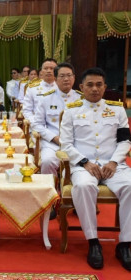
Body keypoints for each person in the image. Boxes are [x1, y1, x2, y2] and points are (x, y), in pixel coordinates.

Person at [60, 67, 131, 271]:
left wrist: (114, 162)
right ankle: (93, 242)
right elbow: (66, 144)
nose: (94, 89)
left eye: (99, 84)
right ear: (81, 87)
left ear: (105, 87)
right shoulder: (72, 111)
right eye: (89, 85)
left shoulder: (117, 109)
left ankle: (125, 244)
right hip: (84, 165)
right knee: (82, 187)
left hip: (113, 165)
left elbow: (125, 141)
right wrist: (84, 162)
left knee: (130, 186)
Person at [33, 62, 82, 176]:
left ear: (74, 78)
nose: (66, 79)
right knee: (47, 161)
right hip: (53, 143)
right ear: (55, 78)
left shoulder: (81, 99)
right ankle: (49, 191)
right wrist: (54, 138)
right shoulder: (46, 99)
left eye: (69, 75)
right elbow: (37, 125)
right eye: (62, 76)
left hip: (77, 143)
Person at [23, 58, 58, 126]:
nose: (49, 71)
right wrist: (35, 124)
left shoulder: (61, 87)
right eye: (46, 68)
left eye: (52, 68)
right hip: (37, 127)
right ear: (41, 71)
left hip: (57, 127)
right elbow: (27, 110)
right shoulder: (32, 88)